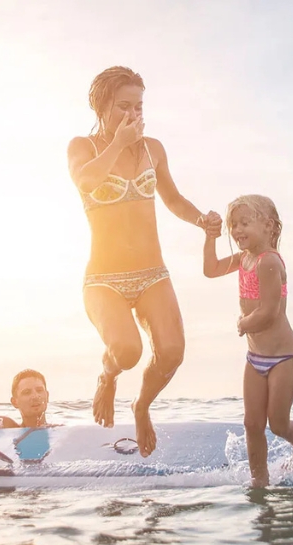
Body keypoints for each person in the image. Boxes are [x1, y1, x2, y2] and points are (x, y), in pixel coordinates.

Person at [67, 66, 222, 457]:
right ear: (101, 108)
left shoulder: (154, 148)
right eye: (123, 106)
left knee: (172, 353)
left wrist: (200, 218)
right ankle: (108, 376)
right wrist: (118, 144)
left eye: (138, 106)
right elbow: (86, 181)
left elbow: (172, 199)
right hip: (103, 279)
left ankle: (142, 406)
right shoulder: (81, 148)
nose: (133, 115)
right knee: (128, 351)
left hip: (152, 273)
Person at [202, 195, 293, 487]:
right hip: (255, 358)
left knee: (276, 424)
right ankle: (259, 479)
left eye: (244, 223)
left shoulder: (269, 262)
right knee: (252, 424)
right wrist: (210, 237)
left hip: (283, 358)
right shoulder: (243, 259)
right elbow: (210, 269)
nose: (237, 230)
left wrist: (243, 323)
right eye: (233, 225)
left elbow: (270, 312)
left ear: (268, 226)